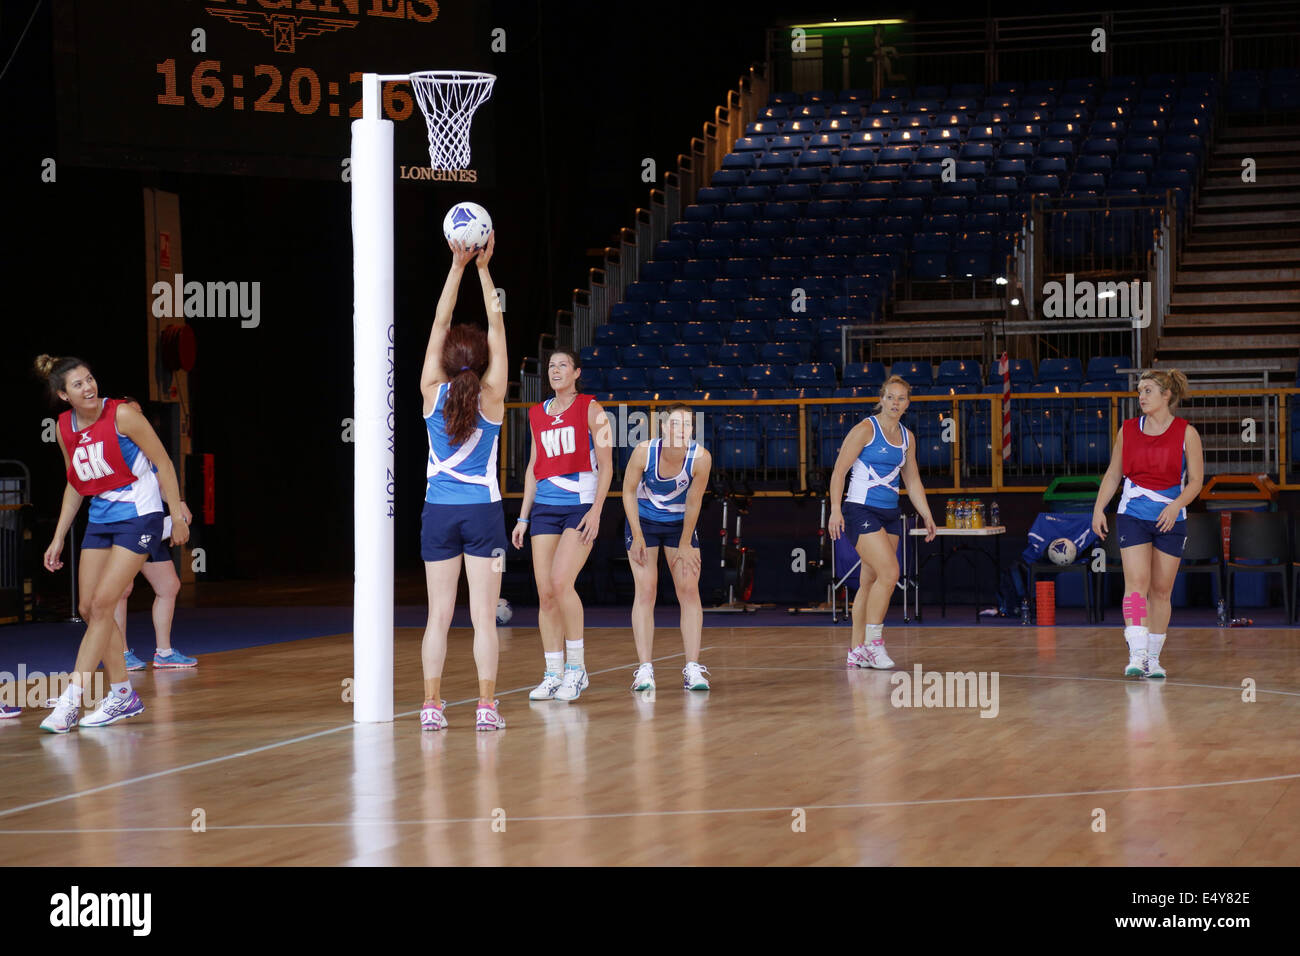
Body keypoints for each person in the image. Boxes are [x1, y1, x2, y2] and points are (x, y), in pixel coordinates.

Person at [36, 355, 191, 733]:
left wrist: (177, 512)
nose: (88, 387)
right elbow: (76, 482)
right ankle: (123, 694)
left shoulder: (121, 415)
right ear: (63, 395)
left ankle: (71, 701)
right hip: (101, 518)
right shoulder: (64, 427)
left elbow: (164, 463)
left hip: (141, 516)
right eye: (78, 384)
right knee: (90, 608)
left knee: (105, 602)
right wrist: (57, 537)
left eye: (90, 379)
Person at [418, 233, 508, 731]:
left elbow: (438, 322)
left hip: (439, 512)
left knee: (438, 616)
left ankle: (432, 705)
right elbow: (496, 324)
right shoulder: (493, 397)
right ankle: (486, 707)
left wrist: (456, 266)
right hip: (482, 514)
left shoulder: (431, 392)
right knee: (482, 615)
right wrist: (483, 268)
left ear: (449, 358)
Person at [512, 350, 613, 702]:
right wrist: (524, 516)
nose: (556, 370)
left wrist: (597, 511)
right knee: (545, 593)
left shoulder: (591, 408)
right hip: (545, 509)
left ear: (576, 372)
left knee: (560, 582)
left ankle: (576, 669)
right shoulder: (536, 413)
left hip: (579, 507)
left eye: (562, 365)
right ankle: (553, 672)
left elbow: (606, 464)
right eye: (551, 366)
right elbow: (533, 466)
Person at [1092, 369, 1203, 678]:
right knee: (1136, 585)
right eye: (1139, 391)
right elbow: (1114, 474)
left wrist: (1176, 506)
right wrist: (1099, 508)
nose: (1141, 396)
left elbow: (1196, 482)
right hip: (1133, 515)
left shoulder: (1187, 433)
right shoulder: (1127, 430)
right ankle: (1137, 653)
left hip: (1171, 517)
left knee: (1161, 590)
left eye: (1148, 391)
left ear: (1166, 395)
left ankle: (1153, 658)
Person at [828, 375, 937, 669]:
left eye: (901, 398)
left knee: (870, 581)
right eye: (890, 397)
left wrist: (926, 513)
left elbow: (912, 480)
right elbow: (839, 472)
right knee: (890, 573)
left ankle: (855, 651)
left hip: (890, 513)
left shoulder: (907, 438)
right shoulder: (865, 429)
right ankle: (874, 644)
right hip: (860, 510)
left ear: (907, 404)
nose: (895, 403)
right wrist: (835, 509)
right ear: (882, 399)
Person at [622, 404, 713, 692]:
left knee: (688, 590)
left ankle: (692, 669)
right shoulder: (644, 452)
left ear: (692, 430)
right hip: (643, 522)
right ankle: (645, 669)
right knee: (646, 590)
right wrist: (636, 535)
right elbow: (627, 491)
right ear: (664, 427)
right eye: (674, 424)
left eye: (686, 425)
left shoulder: (700, 458)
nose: (680, 429)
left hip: (679, 524)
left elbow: (694, 501)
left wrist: (686, 543)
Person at [114, 399, 196, 671]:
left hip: (150, 525)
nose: (138, 418)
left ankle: (164, 652)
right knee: (121, 590)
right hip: (123, 524)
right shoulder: (113, 448)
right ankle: (121, 654)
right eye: (132, 413)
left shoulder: (149, 448)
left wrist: (178, 507)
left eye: (140, 413)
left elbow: (162, 480)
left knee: (168, 586)